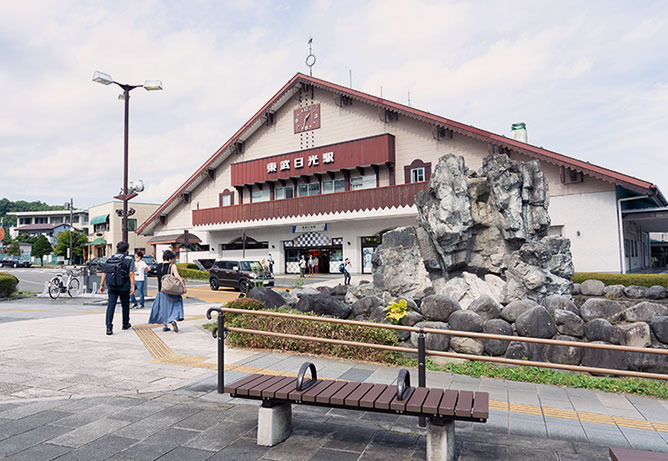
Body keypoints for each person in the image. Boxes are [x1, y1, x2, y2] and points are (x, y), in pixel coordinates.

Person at [100, 242, 135, 335]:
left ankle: (109, 327)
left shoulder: (110, 258)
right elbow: (131, 273)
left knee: (111, 306)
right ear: (126, 250)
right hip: (124, 286)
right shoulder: (129, 259)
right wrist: (133, 286)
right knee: (125, 305)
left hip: (111, 286)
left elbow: (104, 272)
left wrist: (101, 284)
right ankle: (125, 323)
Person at [149, 250, 187, 333]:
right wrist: (183, 286)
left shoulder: (158, 266)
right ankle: (172, 320)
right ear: (170, 258)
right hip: (171, 291)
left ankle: (165, 325)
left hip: (161, 291)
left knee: (163, 309)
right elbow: (177, 276)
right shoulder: (172, 266)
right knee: (175, 305)